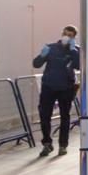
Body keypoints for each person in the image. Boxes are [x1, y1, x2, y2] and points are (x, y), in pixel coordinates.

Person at [33, 25, 80, 157]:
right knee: (44, 115)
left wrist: (73, 51)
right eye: (65, 34)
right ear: (61, 34)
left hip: (66, 88)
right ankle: (47, 143)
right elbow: (36, 64)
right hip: (49, 86)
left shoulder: (76, 50)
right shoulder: (51, 48)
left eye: (70, 36)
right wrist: (42, 55)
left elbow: (79, 65)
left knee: (65, 117)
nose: (66, 37)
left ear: (74, 37)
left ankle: (63, 145)